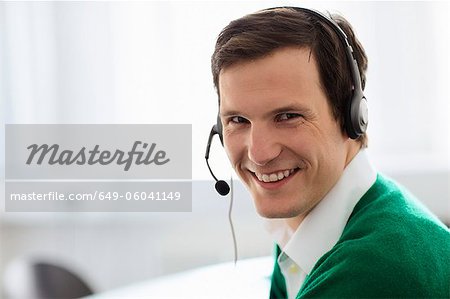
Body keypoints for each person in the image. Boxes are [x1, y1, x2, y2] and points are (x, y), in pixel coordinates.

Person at [208, 6, 450, 298]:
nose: (259, 153)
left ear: (351, 116)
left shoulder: (373, 269)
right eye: (237, 120)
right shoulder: (311, 223)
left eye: (287, 116)